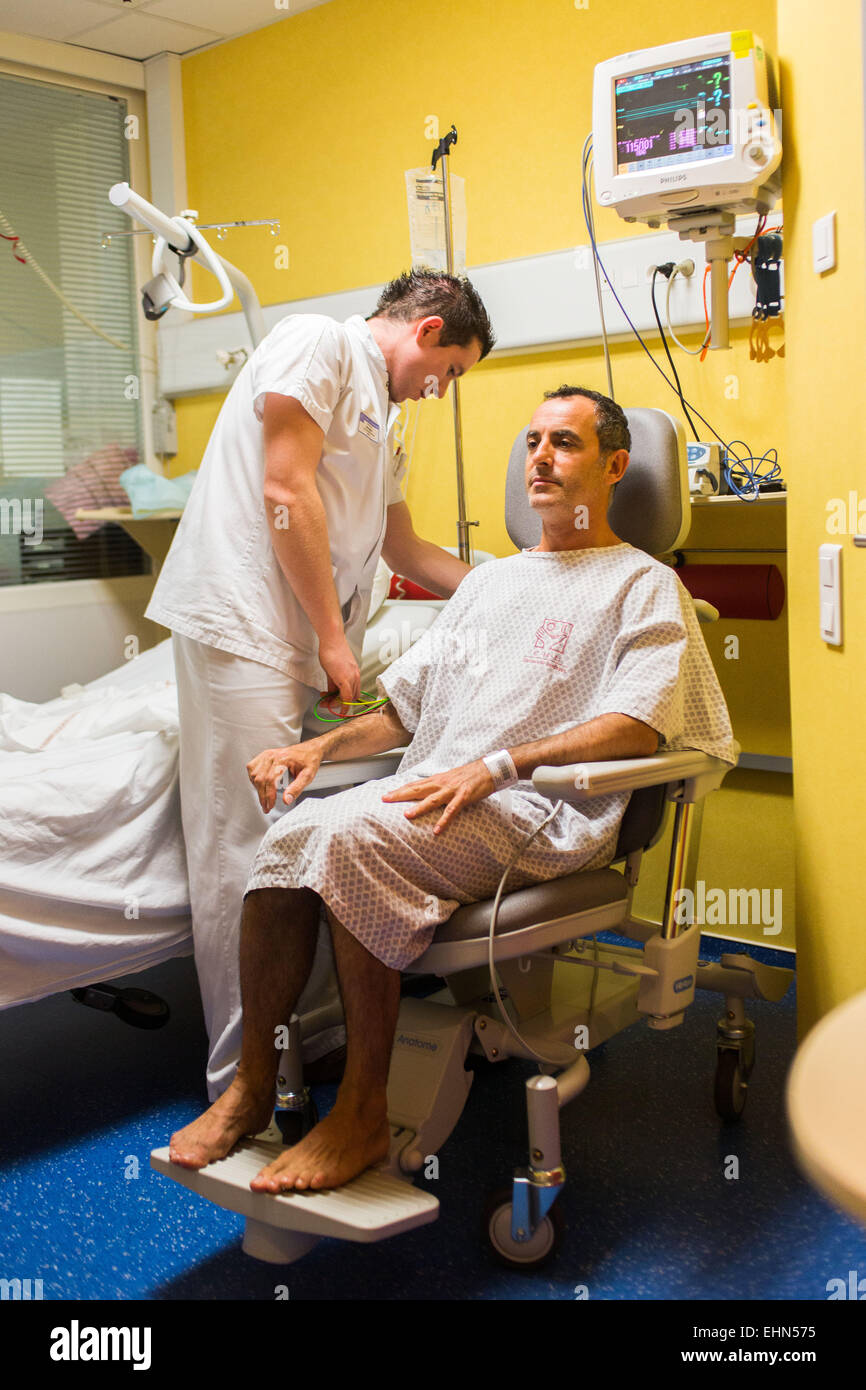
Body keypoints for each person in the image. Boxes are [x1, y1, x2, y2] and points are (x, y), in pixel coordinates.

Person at [167, 385, 736, 1190]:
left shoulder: (642, 585)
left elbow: (635, 726)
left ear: (614, 466)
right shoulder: (488, 586)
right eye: (531, 440)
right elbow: (404, 709)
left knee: (352, 837)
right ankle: (252, 1085)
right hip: (445, 792)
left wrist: (500, 764)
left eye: (563, 443)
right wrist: (319, 751)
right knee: (293, 833)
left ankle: (361, 1112)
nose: (539, 457)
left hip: (543, 808)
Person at [145, 269, 495, 1101]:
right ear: (429, 329)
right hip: (245, 627)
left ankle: (316, 1042)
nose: (442, 390)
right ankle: (244, 1081)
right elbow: (284, 488)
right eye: (452, 370)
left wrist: (505, 585)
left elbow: (403, 548)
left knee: (295, 838)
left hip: (293, 640)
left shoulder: (387, 417)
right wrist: (338, 646)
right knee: (245, 847)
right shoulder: (321, 343)